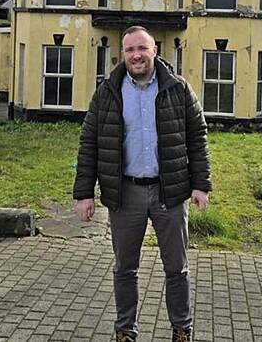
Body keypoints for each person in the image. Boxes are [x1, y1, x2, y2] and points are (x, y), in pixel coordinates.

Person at [74, 25, 211, 342]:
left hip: (170, 192)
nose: (136, 55)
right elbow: (89, 143)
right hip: (126, 193)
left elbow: (197, 138)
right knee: (125, 269)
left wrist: (200, 185)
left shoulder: (178, 89)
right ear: (123, 54)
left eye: (142, 48)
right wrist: (84, 194)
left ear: (155, 51)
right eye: (130, 50)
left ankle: (181, 329)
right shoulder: (107, 92)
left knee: (177, 268)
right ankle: (125, 331)